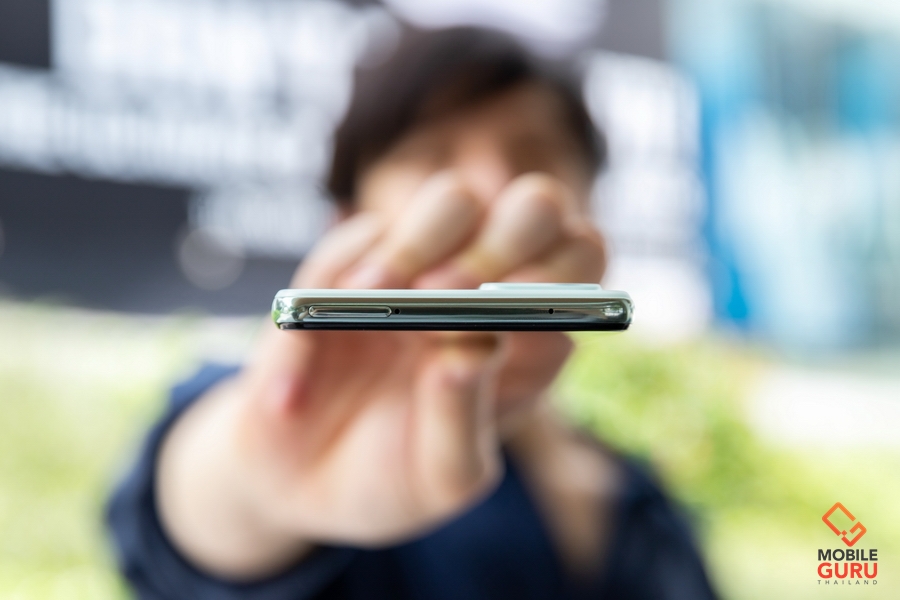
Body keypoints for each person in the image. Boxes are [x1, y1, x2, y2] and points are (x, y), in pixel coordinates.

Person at [107, 26, 717, 599]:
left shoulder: (643, 503)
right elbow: (211, 497)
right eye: (432, 156)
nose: (493, 187)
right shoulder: (302, 408)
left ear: (592, 210)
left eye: (534, 153)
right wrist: (258, 480)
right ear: (348, 219)